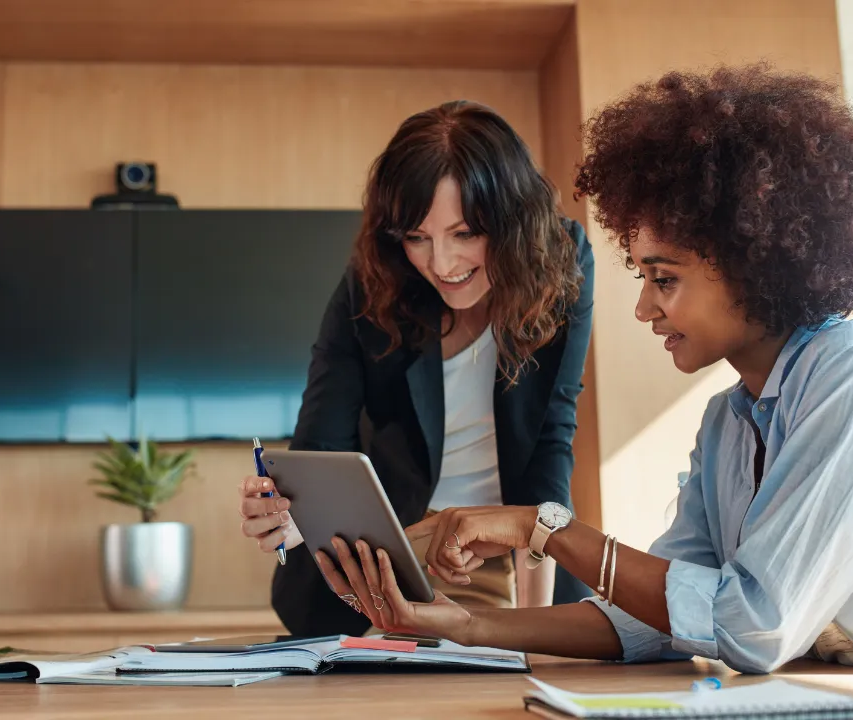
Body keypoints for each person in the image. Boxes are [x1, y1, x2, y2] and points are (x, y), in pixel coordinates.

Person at [315, 64, 853, 686]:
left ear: (753, 261)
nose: (644, 305)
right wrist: (464, 628)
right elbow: (654, 621)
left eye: (665, 278)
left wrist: (544, 526)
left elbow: (753, 625)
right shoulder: (728, 424)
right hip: (835, 689)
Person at [237, 100, 596, 637]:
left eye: (466, 233)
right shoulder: (373, 281)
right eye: (416, 237)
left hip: (513, 559)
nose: (442, 265)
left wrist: (536, 624)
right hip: (384, 567)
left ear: (514, 221)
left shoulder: (561, 263)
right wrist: (289, 514)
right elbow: (320, 447)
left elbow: (551, 437)